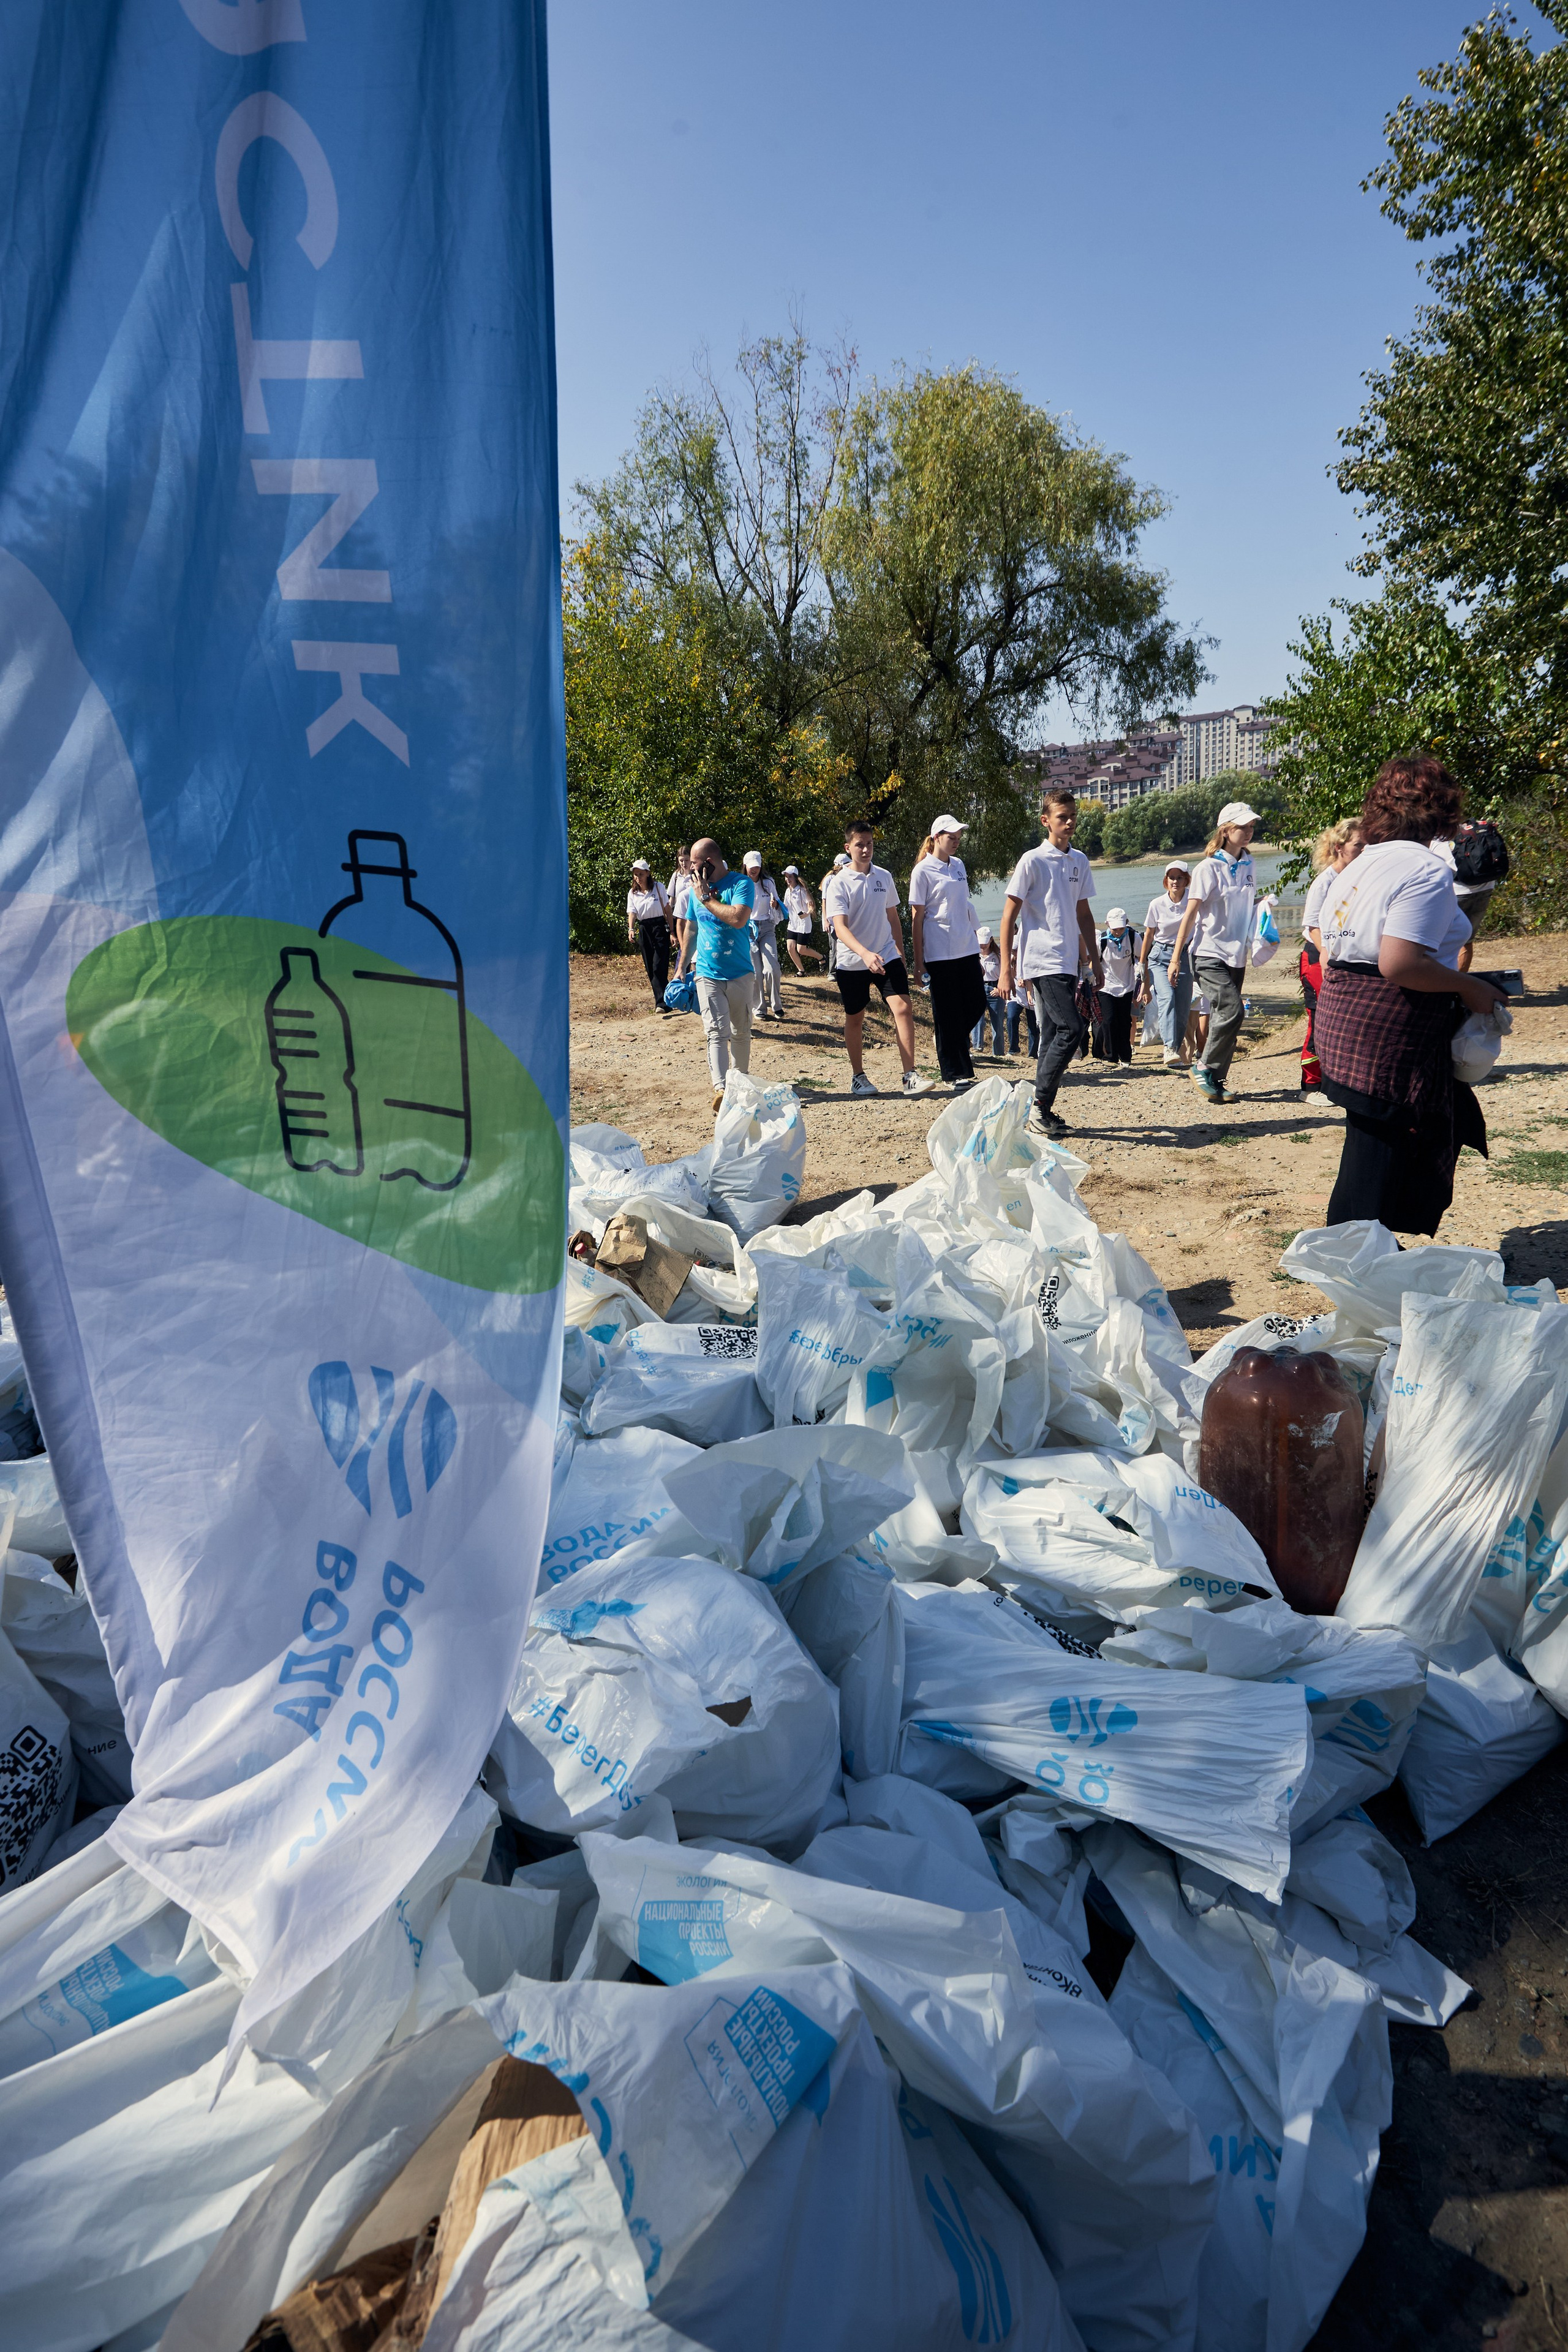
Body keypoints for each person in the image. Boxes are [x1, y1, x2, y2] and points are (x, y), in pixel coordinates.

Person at [1315, 753, 1507, 1234]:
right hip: (1389, 1029)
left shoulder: (1358, 866)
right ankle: (1355, 1260)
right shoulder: (1423, 870)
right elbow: (1398, 963)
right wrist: (1472, 987)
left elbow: (1337, 948)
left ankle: (1360, 1252)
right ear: (1441, 809)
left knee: (1370, 1144)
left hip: (1343, 1019)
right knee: (1380, 1150)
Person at [997, 787, 1102, 1138]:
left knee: (1058, 1030)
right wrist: (1008, 970)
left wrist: (1095, 962)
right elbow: (1009, 915)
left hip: (1069, 960)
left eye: (1073, 816)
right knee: (1071, 1029)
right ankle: (1039, 1106)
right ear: (1046, 821)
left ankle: (1042, 1110)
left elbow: (1084, 915)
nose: (1070, 822)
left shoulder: (1080, 861)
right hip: (1041, 959)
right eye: (1062, 817)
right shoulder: (1033, 861)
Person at [824, 820, 934, 1098]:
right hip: (852, 961)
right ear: (848, 848)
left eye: (870, 844)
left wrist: (899, 950)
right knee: (856, 1017)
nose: (866, 849)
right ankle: (858, 1077)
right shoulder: (838, 883)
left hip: (885, 955)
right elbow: (840, 927)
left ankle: (910, 1076)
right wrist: (864, 953)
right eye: (860, 845)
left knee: (904, 1008)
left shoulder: (883, 876)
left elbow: (892, 916)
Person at [1169, 800, 1261, 1106]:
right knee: (1233, 1010)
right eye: (1242, 826)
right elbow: (1190, 914)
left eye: (1251, 826)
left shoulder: (1250, 865)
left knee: (1230, 1018)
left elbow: (1246, 906)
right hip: (1208, 953)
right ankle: (1203, 1067)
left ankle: (1217, 1080)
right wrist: (1174, 958)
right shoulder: (1208, 868)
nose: (1249, 831)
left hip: (1237, 954)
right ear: (1225, 830)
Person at [910, 813, 987, 1088]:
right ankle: (955, 1074)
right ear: (936, 839)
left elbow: (964, 906)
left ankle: (946, 1040)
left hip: (965, 948)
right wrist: (919, 963)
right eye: (951, 838)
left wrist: (977, 951)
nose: (956, 842)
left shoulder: (959, 866)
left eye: (958, 838)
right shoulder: (922, 871)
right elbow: (917, 918)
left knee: (977, 1002)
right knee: (948, 1012)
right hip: (939, 951)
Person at [680, 836, 756, 1111]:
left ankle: (740, 1083)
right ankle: (722, 1089)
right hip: (707, 972)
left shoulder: (741, 884)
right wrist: (680, 967)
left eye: (695, 865)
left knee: (741, 1031)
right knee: (716, 1032)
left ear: (709, 863)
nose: (690, 871)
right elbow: (691, 929)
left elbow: (738, 919)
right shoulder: (694, 891)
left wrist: (706, 898)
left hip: (740, 973)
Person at [1299, 819, 1363, 1099]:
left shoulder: (1361, 878)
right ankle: (1310, 1087)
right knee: (1320, 1022)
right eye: (1359, 845)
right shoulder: (1324, 882)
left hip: (1347, 958)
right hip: (1318, 958)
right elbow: (1313, 924)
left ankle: (1340, 1083)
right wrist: (1326, 953)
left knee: (1346, 1023)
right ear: (1339, 847)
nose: (1365, 850)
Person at [1137, 862, 1193, 1068]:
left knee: (1182, 1007)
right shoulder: (1157, 904)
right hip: (1160, 956)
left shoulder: (1193, 902)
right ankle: (1169, 1048)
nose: (1175, 882)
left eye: (1180, 877)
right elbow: (1149, 936)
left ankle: (1175, 1051)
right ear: (1166, 881)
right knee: (1167, 998)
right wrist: (1142, 965)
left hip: (1186, 957)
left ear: (1187, 880)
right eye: (1172, 878)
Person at [625, 859, 673, 1012]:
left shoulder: (658, 887)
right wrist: (631, 929)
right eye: (635, 875)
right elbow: (632, 912)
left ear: (647, 873)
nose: (638, 877)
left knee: (660, 964)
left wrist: (672, 931)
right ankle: (663, 1000)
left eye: (641, 874)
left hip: (659, 926)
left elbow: (667, 909)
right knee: (651, 967)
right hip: (645, 928)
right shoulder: (633, 893)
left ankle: (662, 1002)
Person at [744, 851, 785, 1020]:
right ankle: (759, 1007)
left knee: (772, 969)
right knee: (756, 972)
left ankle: (777, 1005)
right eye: (751, 867)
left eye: (757, 867)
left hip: (767, 927)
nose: (754, 870)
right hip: (748, 930)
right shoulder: (741, 883)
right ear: (745, 866)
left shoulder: (768, 883)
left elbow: (776, 907)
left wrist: (775, 905)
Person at [1095, 907, 1137, 1065]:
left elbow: (1141, 958)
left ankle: (1126, 1056)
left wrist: (1143, 983)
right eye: (1114, 929)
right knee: (1109, 1021)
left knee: (1125, 1021)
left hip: (1127, 986)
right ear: (1107, 925)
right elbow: (1095, 961)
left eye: (1121, 928)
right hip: (1106, 986)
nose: (1118, 932)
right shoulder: (1102, 940)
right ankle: (1111, 1057)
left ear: (1126, 924)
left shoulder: (1133, 938)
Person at [782, 864, 822, 973]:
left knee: (801, 950)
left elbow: (811, 905)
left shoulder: (802, 891)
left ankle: (821, 958)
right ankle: (801, 971)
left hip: (803, 924)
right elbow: (785, 907)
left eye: (790, 877)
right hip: (792, 924)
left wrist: (807, 913)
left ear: (795, 877)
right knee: (790, 948)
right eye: (786, 877)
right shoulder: (788, 891)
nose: (788, 879)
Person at [973, 926, 1004, 1056]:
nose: (983, 945)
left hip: (995, 990)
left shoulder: (998, 956)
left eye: (985, 943)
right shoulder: (975, 954)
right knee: (977, 1020)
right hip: (978, 988)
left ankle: (998, 1053)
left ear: (991, 940)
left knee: (997, 1023)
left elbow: (1006, 973)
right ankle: (977, 1048)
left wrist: (999, 988)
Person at [820, 850, 850, 973]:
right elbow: (824, 901)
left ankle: (843, 970)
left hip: (842, 918)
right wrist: (826, 921)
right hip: (831, 921)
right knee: (835, 947)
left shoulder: (845, 878)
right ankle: (832, 972)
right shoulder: (829, 879)